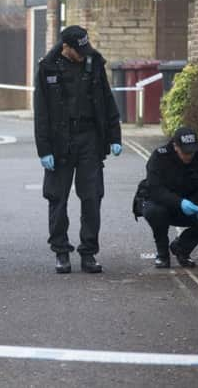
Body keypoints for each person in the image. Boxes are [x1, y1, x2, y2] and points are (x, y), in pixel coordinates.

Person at [33, 25, 121, 274]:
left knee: (92, 196)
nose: (83, 54)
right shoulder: (47, 67)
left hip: (89, 138)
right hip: (60, 140)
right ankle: (61, 252)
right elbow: (41, 112)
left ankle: (89, 252)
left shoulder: (94, 62)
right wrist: (44, 150)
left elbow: (107, 100)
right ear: (66, 47)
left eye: (85, 48)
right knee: (57, 198)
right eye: (78, 50)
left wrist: (115, 136)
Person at [134, 127, 198, 268]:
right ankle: (162, 254)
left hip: (190, 207)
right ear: (175, 146)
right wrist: (179, 202)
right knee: (155, 212)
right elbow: (155, 190)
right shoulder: (159, 157)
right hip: (161, 204)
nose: (189, 156)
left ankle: (182, 248)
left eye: (192, 151)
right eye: (185, 152)